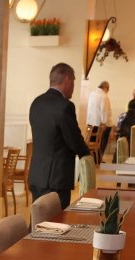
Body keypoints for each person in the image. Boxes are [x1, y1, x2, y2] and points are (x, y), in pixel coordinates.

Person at [28, 62, 90, 209]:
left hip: (37, 175)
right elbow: (73, 140)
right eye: (74, 81)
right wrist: (87, 154)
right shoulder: (65, 106)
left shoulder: (36, 103)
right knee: (56, 224)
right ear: (67, 79)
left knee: (38, 221)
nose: (73, 86)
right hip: (57, 178)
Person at [87, 80, 113, 161]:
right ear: (105, 87)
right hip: (101, 124)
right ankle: (99, 159)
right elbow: (104, 110)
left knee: (92, 143)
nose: (108, 91)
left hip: (91, 123)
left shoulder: (92, 94)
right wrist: (104, 123)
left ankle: (93, 159)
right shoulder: (104, 96)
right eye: (108, 89)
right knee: (101, 142)